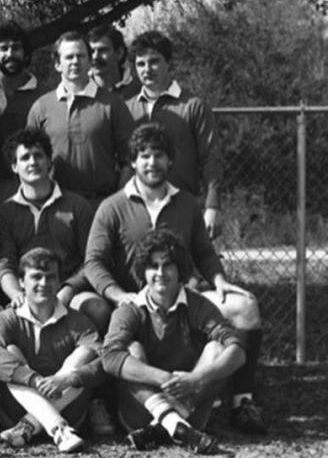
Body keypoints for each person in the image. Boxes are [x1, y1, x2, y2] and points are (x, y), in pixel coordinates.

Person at [85, 123, 266, 433]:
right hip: (131, 300)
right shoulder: (112, 207)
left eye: (159, 155)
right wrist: (117, 294)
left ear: (171, 161)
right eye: (144, 156)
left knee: (245, 306)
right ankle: (105, 403)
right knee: (113, 333)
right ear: (133, 162)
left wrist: (218, 280)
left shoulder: (186, 203)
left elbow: (204, 253)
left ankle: (242, 401)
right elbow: (93, 262)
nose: (152, 162)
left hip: (176, 294)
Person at [101, 229, 246, 454]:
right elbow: (109, 358)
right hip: (140, 413)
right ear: (143, 271)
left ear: (180, 269)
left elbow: (237, 351)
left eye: (167, 265)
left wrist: (197, 379)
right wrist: (164, 379)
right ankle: (171, 423)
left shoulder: (198, 305)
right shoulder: (130, 309)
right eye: (152, 266)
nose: (160, 273)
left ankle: (167, 427)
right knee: (131, 349)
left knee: (217, 348)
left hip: (191, 411)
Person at [0, 248, 106, 453]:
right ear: (21, 282)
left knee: (85, 353)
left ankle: (30, 426)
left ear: (59, 282)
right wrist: (34, 380)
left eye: (50, 278)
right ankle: (58, 428)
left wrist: (66, 380)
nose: (44, 284)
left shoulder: (79, 321)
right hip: (13, 411)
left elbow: (105, 362)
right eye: (36, 277)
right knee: (10, 351)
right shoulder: (6, 319)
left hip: (71, 409)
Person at [0, 128, 104, 323]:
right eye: (25, 158)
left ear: (49, 161)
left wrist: (67, 291)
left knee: (97, 308)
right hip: (25, 295)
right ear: (14, 166)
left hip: (69, 292)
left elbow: (91, 260)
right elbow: (5, 264)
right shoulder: (5, 213)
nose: (33, 162)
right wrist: (17, 294)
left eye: (38, 156)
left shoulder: (77, 206)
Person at [126, 30, 223, 238]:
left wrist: (212, 205)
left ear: (168, 63)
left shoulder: (193, 107)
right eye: (140, 64)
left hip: (182, 209)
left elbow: (211, 158)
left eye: (154, 62)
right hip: (137, 212)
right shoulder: (126, 109)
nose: (147, 69)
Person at [26, 31, 133, 204]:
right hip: (55, 207)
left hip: (101, 204)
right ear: (57, 64)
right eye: (69, 57)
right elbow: (29, 160)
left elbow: (130, 160)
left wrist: (117, 203)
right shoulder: (41, 107)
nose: (75, 61)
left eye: (81, 56)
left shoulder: (113, 104)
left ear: (90, 61)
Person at [0, 21, 45, 206]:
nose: (10, 54)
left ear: (25, 54)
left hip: (37, 189)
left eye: (16, 48)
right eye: (4, 48)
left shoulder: (45, 95)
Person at [87, 24, 140, 98]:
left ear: (119, 53)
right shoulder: (79, 91)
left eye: (102, 50)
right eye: (92, 51)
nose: (95, 56)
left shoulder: (139, 90)